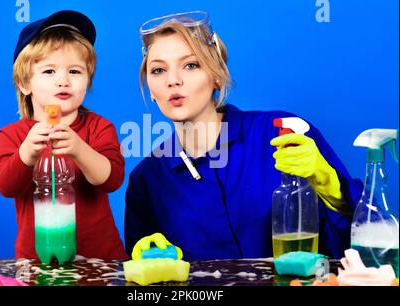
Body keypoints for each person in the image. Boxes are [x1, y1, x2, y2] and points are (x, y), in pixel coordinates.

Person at [125, 11, 363, 260]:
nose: (172, 80)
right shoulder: (147, 179)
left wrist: (332, 188)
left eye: (191, 65)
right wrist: (146, 259)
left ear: (216, 76)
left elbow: (368, 246)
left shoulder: (283, 132)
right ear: (151, 90)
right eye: (158, 70)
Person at [0, 10, 127, 260]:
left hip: (99, 260)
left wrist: (79, 148)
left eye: (75, 72)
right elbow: (6, 186)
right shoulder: (13, 135)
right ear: (24, 84)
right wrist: (26, 153)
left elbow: (112, 179)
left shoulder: (99, 127)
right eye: (49, 71)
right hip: (37, 260)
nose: (63, 81)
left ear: (88, 81)